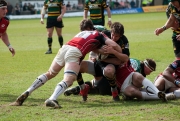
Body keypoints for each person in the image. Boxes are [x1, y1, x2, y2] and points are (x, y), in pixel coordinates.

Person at [9, 19, 126, 108]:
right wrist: (115, 50)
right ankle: (52, 98)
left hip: (65, 47)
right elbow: (115, 45)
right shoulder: (99, 34)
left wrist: (100, 50)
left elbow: (93, 48)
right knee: (69, 79)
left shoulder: (81, 34)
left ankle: (27, 91)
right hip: (75, 51)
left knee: (50, 73)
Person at [66, 22, 129, 101]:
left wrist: (113, 52)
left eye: (117, 36)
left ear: (121, 35)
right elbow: (92, 47)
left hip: (109, 65)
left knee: (108, 71)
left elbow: (125, 59)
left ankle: (114, 91)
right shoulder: (104, 34)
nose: (113, 38)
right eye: (113, 35)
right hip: (98, 63)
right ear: (110, 31)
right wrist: (99, 51)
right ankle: (83, 88)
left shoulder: (124, 40)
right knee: (77, 66)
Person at [64, 58, 156, 96]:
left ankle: (78, 88)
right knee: (99, 89)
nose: (151, 73)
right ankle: (81, 89)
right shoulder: (138, 68)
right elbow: (130, 79)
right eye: (151, 70)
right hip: (115, 79)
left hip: (107, 70)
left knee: (95, 83)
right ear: (147, 66)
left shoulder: (137, 62)